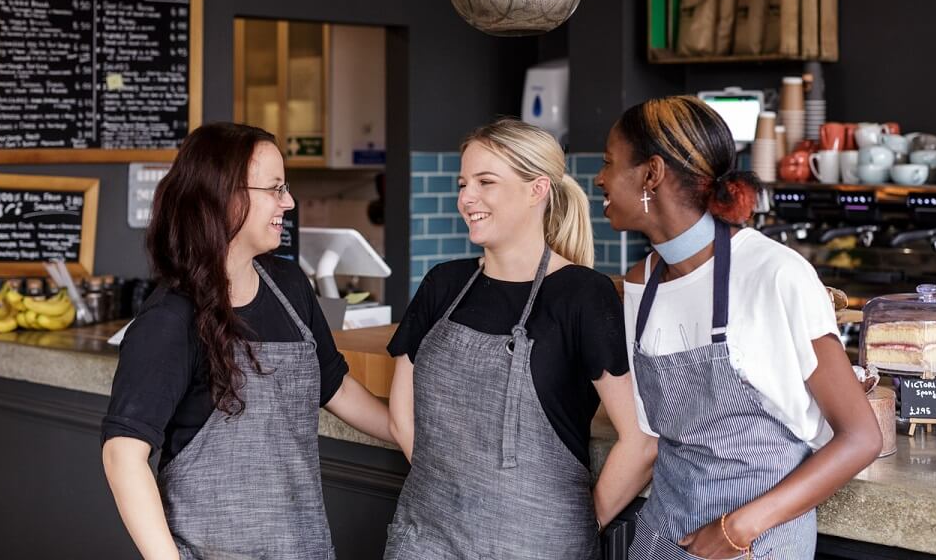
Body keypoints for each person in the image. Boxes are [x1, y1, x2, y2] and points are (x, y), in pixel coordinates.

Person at [594, 97, 881, 560]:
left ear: (651, 174)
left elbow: (861, 436)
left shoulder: (775, 274)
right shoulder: (640, 283)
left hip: (756, 545)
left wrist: (739, 528)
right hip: (661, 541)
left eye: (609, 163)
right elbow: (651, 437)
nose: (600, 178)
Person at [102, 123, 392, 560]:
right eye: (275, 189)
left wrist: (407, 432)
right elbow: (123, 456)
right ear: (227, 197)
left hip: (305, 548)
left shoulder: (290, 286)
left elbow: (337, 387)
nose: (289, 202)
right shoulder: (170, 317)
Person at [385, 118, 656, 560]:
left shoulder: (582, 293)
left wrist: (569, 528)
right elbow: (402, 416)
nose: (466, 198)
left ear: (537, 190)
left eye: (485, 182)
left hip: (536, 545)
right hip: (424, 538)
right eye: (463, 183)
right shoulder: (443, 284)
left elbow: (641, 441)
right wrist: (460, 499)